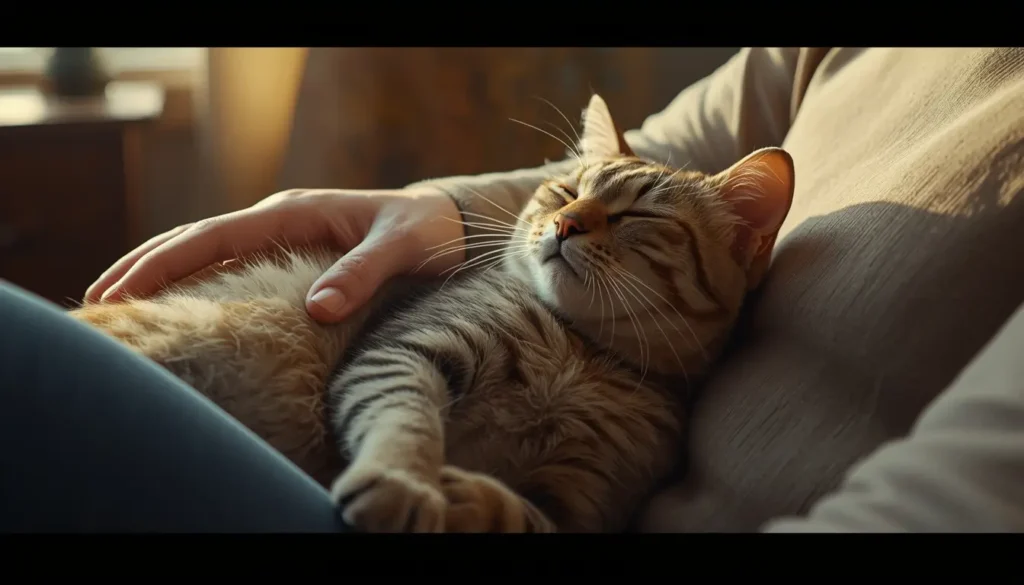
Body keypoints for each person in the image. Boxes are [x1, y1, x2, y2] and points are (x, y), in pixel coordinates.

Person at [2, 47, 1022, 532]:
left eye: (629, 227)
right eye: (573, 202)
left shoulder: (643, 410)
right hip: (333, 440)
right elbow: (648, 157)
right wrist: (430, 211)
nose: (577, 221)